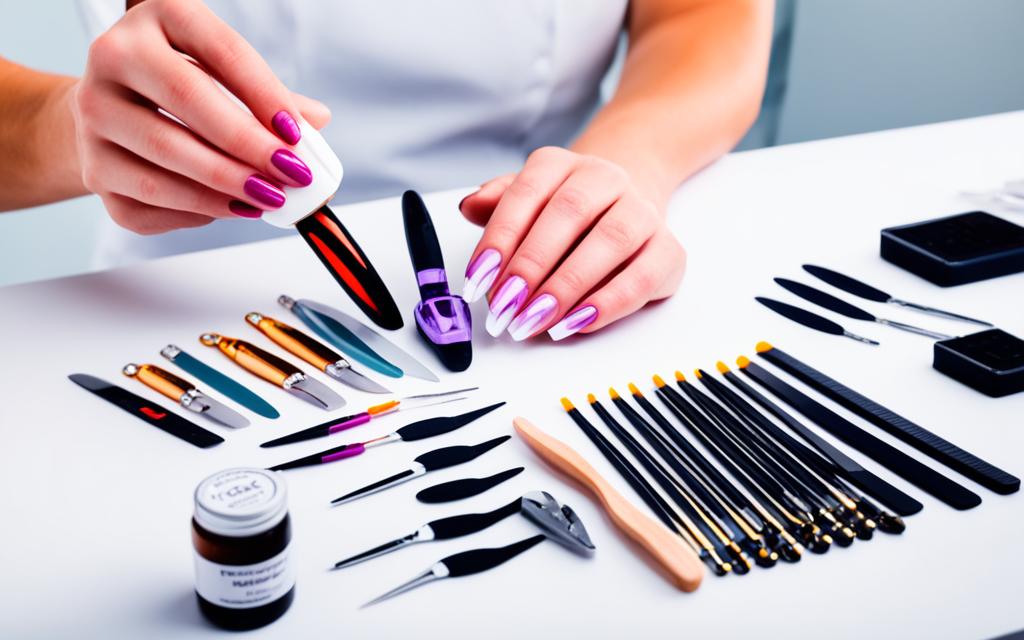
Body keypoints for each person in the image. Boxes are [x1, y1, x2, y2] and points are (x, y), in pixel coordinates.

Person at [0, 0, 772, 341]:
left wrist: (613, 175)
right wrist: (69, 130)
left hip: (517, 275)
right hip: (189, 299)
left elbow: (703, 14)